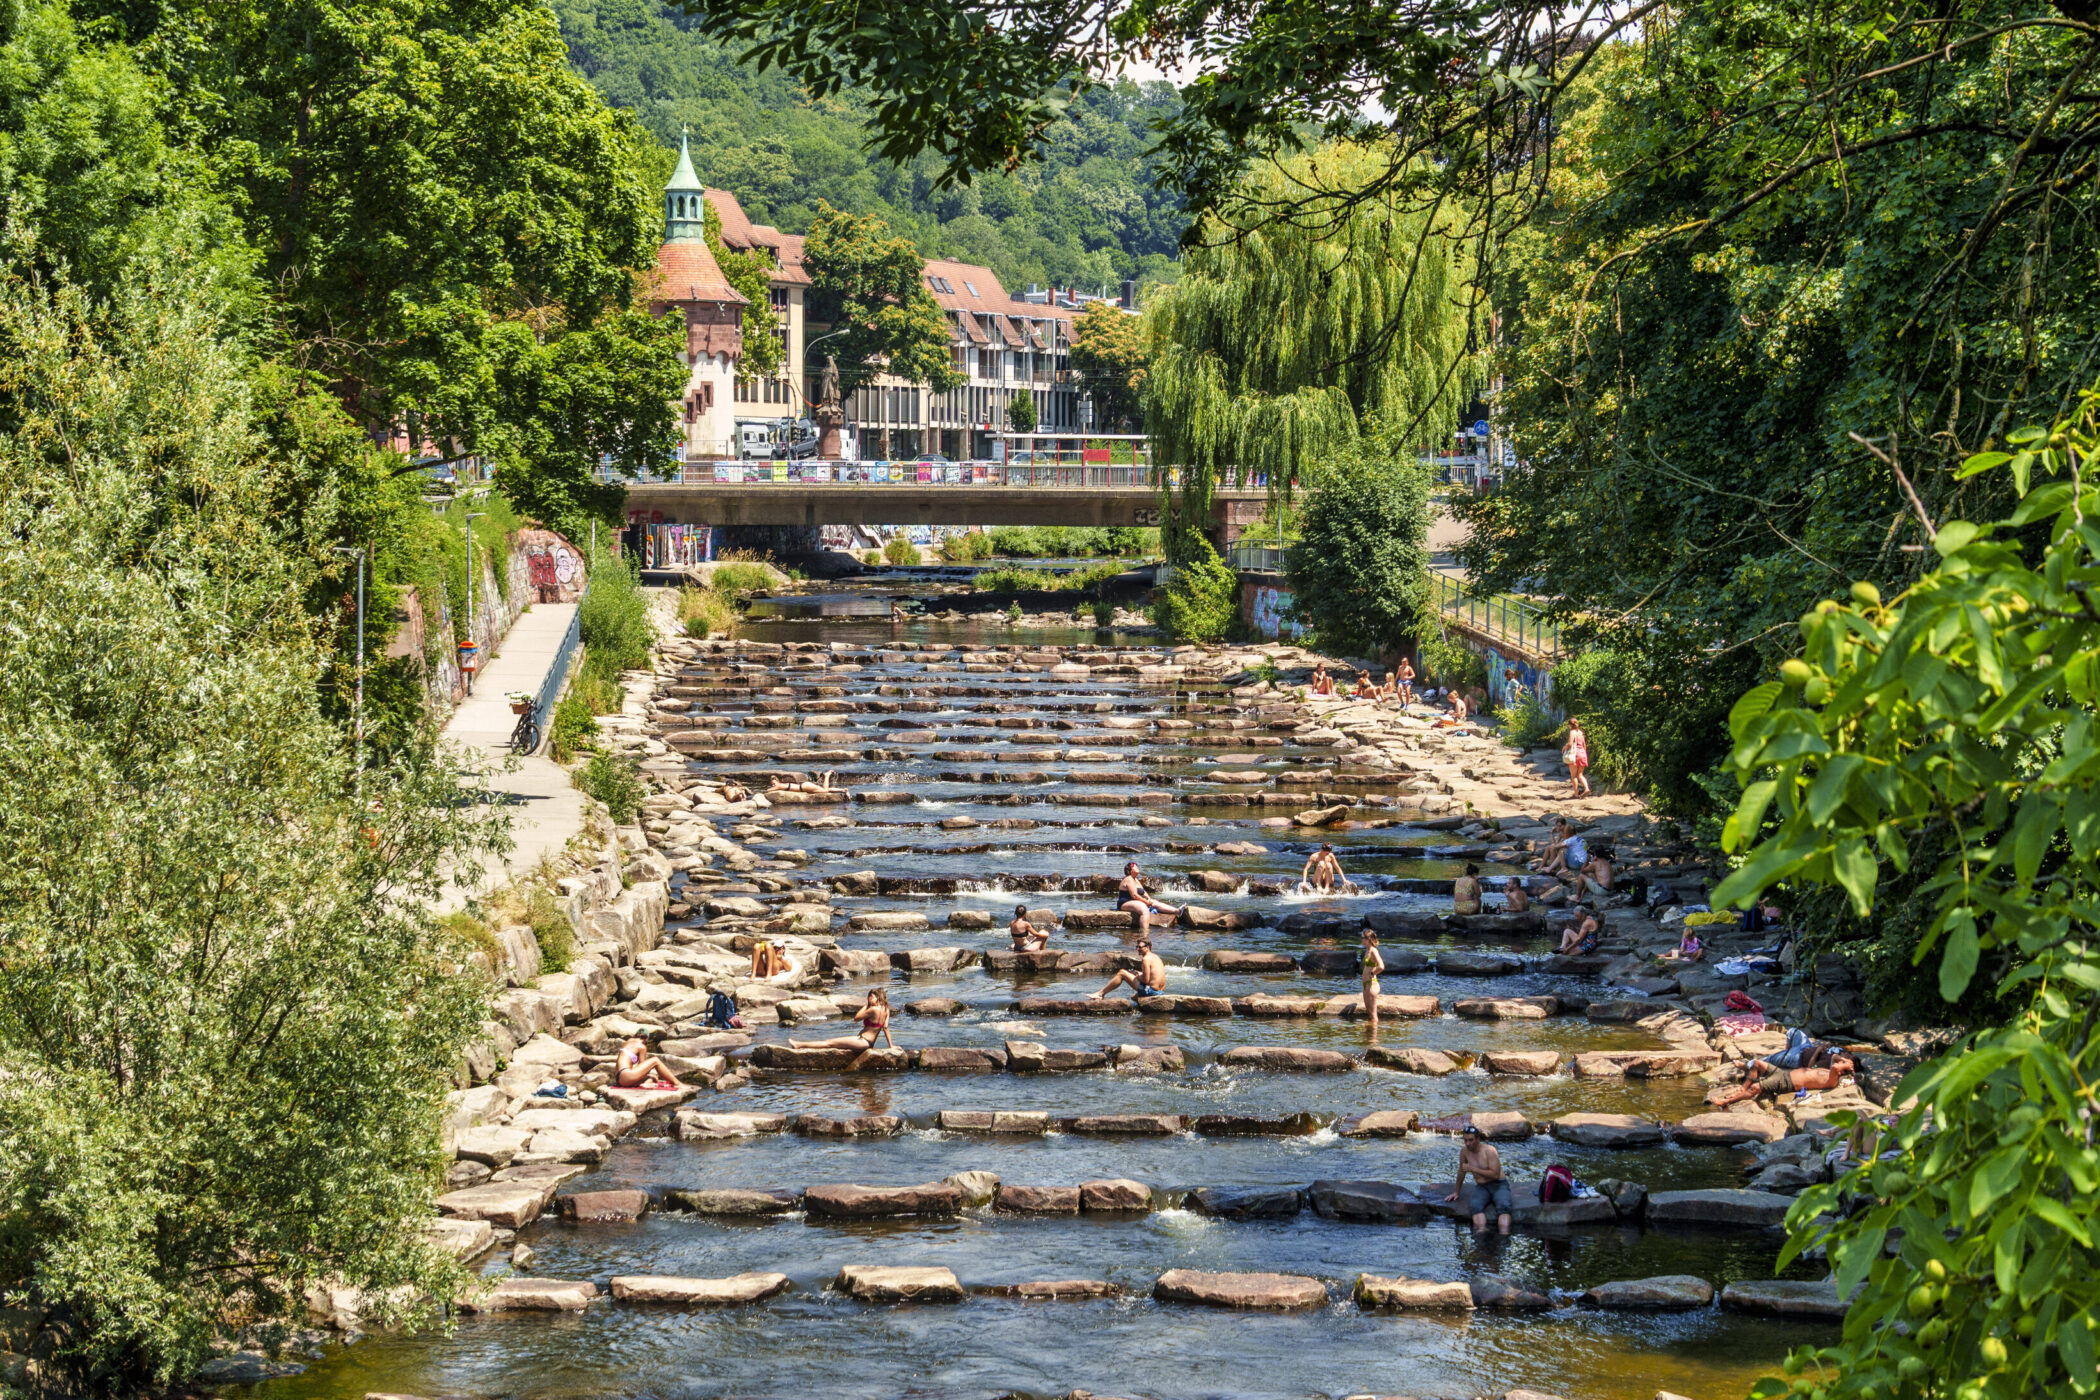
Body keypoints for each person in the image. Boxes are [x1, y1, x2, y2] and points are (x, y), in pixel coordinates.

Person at [1706, 1053, 1857, 1108]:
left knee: (1756, 1088)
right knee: (1757, 1063)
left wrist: (1846, 1066)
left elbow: (1835, 1067)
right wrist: (1845, 1060)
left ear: (1841, 1071)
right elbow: (1833, 1057)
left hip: (1786, 1083)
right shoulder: (1833, 1069)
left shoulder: (1833, 1079)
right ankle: (1742, 1089)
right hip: (1784, 1074)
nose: (1838, 1063)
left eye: (1841, 1065)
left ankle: (1725, 1102)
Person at [1444, 1124, 1512, 1234]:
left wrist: (1473, 1169)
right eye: (1465, 1140)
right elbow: (1462, 1171)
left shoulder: (1489, 1150)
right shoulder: (1464, 1151)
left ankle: (1504, 1236)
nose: (1468, 1143)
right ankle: (1481, 1234)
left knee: (1504, 1207)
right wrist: (1456, 1192)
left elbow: (1495, 1174)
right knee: (1475, 1207)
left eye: (1470, 1140)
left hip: (1498, 1184)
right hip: (1482, 1187)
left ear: (1478, 1139)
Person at [791, 988, 893, 1050]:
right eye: (869, 997)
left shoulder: (873, 1009)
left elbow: (856, 1018)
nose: (869, 999)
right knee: (832, 1043)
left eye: (871, 997)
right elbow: (886, 1028)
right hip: (868, 1042)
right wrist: (891, 1046)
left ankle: (799, 1045)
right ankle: (800, 1045)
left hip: (863, 1041)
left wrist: (866, 1005)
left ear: (877, 998)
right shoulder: (886, 1010)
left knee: (829, 1043)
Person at [1117, 861, 1179, 937]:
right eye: (1134, 866)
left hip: (1135, 901)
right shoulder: (1129, 879)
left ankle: (1177, 911)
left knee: (1155, 902)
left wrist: (1149, 900)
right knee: (1144, 909)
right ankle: (1144, 935)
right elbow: (1134, 895)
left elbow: (1143, 892)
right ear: (1130, 870)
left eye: (1137, 865)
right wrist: (1146, 902)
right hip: (1125, 902)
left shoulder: (1136, 880)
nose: (1137, 866)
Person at [1093, 938, 1166, 999]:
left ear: (1148, 947)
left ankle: (1100, 994)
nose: (1137, 949)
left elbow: (1146, 980)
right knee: (1133, 997)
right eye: (1136, 947)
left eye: (1140, 947)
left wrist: (1137, 976)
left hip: (1151, 992)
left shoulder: (1146, 959)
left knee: (1122, 973)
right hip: (1160, 992)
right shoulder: (1156, 957)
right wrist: (1138, 974)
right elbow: (1152, 977)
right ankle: (1141, 997)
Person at [615, 1037, 687, 1090]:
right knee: (655, 1060)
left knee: (653, 1077)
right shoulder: (642, 1046)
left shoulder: (628, 1042)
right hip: (626, 1075)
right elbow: (644, 1069)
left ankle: (646, 1084)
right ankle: (677, 1083)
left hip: (619, 1079)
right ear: (646, 1039)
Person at [1359, 926, 1387, 1032]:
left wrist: (1373, 973)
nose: (1361, 939)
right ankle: (1368, 1037)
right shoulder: (1367, 950)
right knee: (1369, 1013)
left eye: (1363, 937)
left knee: (1373, 1015)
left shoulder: (1373, 951)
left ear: (1368, 939)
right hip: (1366, 984)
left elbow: (1381, 966)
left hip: (1372, 984)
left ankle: (1373, 1041)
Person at [1565, 717, 1592, 797]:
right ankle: (1586, 788)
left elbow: (1570, 744)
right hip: (1583, 754)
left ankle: (1576, 794)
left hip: (1575, 754)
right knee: (1580, 775)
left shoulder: (1572, 732)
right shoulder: (1581, 732)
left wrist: (1564, 748)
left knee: (1573, 776)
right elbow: (1584, 746)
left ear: (1570, 725)